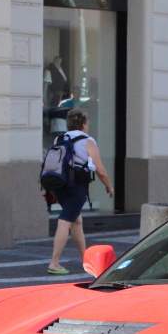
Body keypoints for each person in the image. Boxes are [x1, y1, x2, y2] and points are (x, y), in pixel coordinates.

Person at [48, 107, 113, 275]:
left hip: (60, 186)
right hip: (77, 186)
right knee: (65, 221)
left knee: (76, 220)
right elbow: (100, 170)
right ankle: (54, 263)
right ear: (83, 125)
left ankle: (86, 258)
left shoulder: (60, 139)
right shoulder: (87, 141)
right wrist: (108, 186)